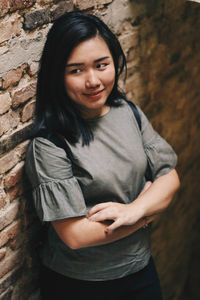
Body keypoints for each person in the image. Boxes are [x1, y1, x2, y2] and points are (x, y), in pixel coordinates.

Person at [25, 11, 180, 300]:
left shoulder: (128, 112)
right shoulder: (49, 143)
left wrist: (133, 210)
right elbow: (75, 236)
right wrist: (146, 210)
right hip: (80, 284)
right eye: (76, 70)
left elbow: (169, 177)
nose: (93, 80)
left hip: (141, 268)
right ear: (57, 76)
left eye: (101, 65)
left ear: (114, 62)